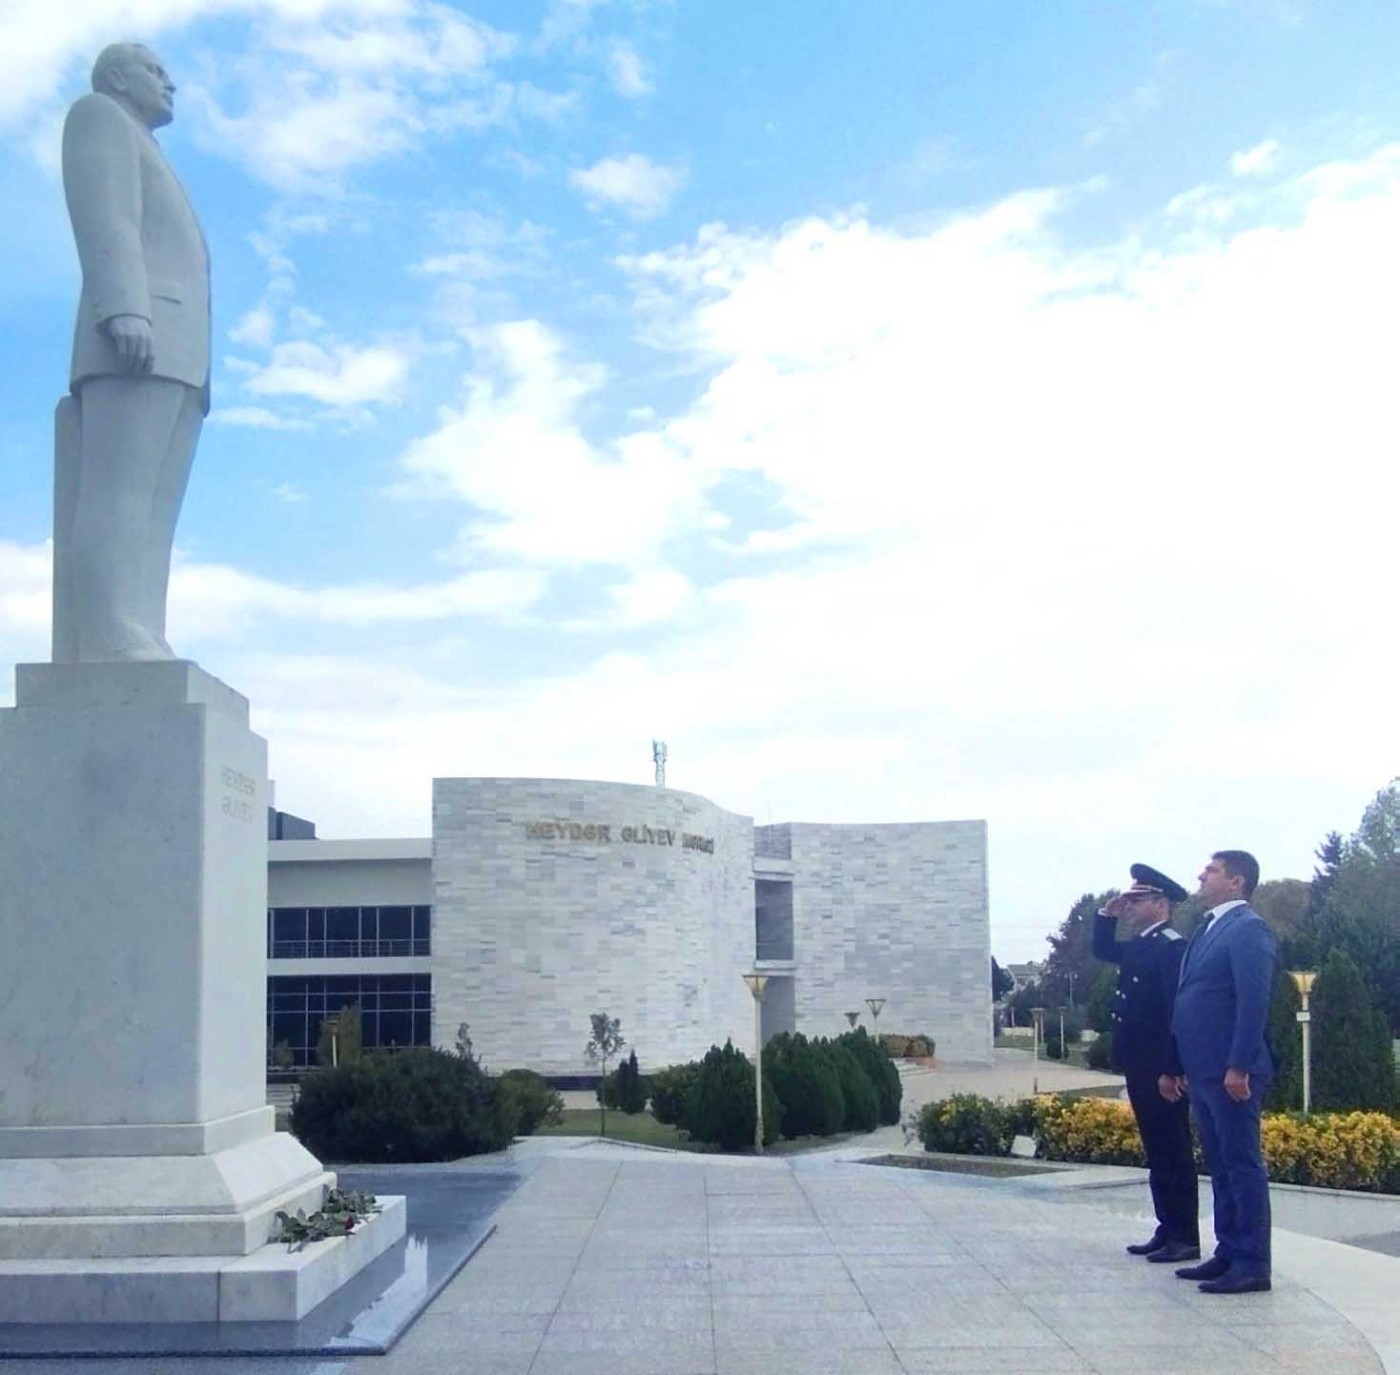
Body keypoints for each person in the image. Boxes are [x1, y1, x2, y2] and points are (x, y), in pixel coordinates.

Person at [55, 42, 210, 662]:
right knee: (117, 493)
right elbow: (107, 218)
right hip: (136, 333)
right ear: (118, 78)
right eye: (156, 71)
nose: (170, 84)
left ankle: (141, 625)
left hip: (181, 351)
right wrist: (125, 307)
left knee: (154, 508)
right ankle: (107, 629)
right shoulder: (99, 115)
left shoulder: (151, 147)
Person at [1161, 850, 1277, 1294]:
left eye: (1210, 871)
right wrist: (1177, 1064)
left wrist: (1239, 1065)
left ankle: (1252, 1263)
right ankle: (1228, 1252)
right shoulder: (1207, 928)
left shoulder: (1248, 930)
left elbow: (1253, 1003)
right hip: (1203, 1068)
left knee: (1242, 1164)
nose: (1200, 876)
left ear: (1237, 882)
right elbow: (1187, 1000)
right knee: (1222, 1166)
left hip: (1231, 1071)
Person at [1093, 863, 1199, 1263]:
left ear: (1160, 904)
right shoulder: (1141, 944)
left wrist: (1173, 1069)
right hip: (1140, 1063)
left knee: (1173, 1148)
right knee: (1157, 1150)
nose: (1130, 907)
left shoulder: (1171, 947)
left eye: (1137, 901)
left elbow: (1178, 1012)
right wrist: (1107, 915)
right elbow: (1103, 950)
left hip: (1160, 1067)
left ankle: (1185, 1235)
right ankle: (1167, 1226)